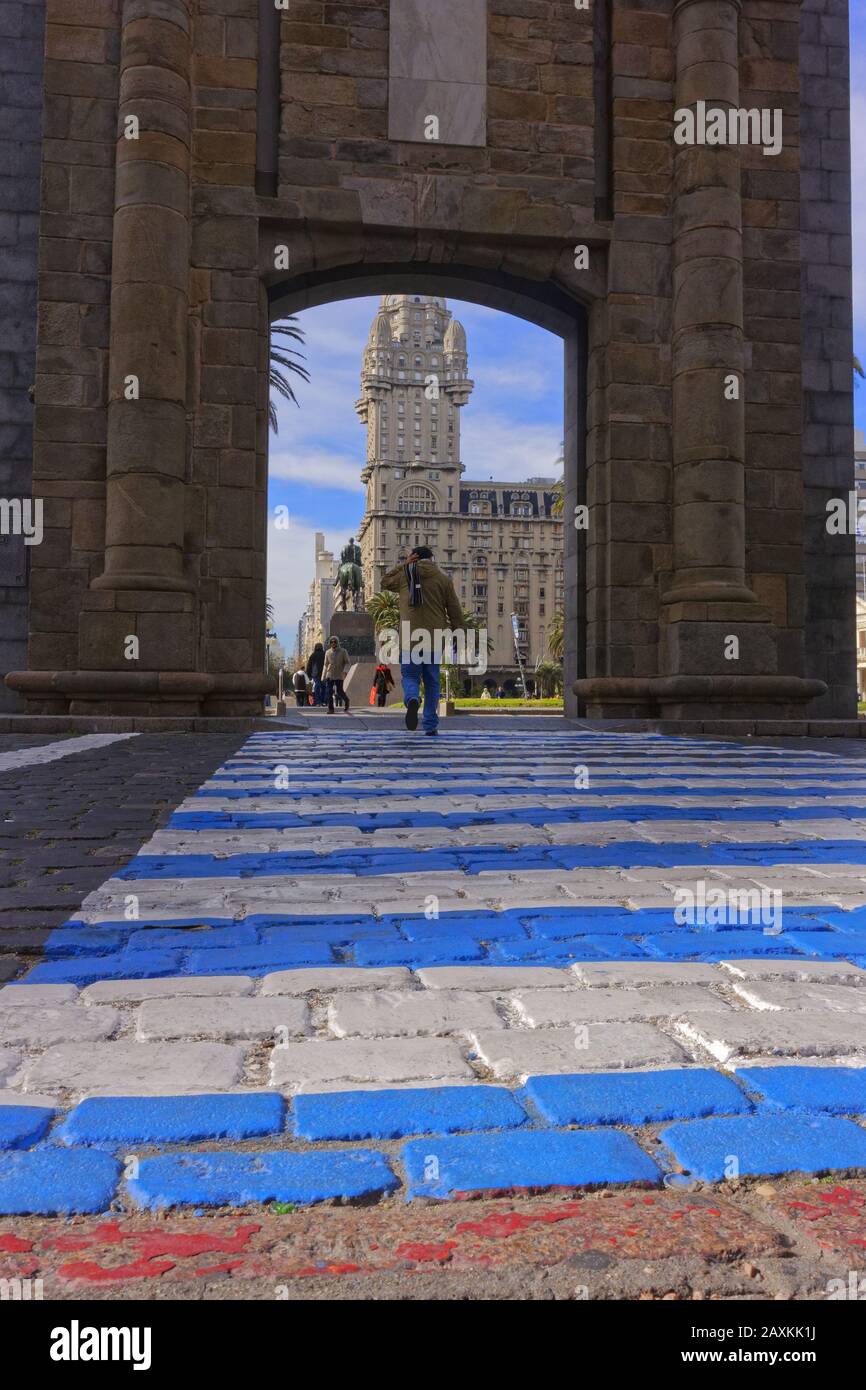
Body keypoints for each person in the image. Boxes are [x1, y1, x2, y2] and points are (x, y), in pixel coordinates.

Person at [382, 545, 465, 737]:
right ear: (432, 559)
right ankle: (430, 724)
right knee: (432, 682)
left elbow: (384, 582)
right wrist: (459, 632)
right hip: (434, 638)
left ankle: (412, 698)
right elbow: (454, 610)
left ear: (414, 558)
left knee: (410, 676)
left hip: (409, 637)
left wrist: (403, 565)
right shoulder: (443, 579)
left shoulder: (405, 575)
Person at [322, 635, 350, 713]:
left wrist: (345, 671)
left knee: (339, 691)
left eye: (335, 642)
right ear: (330, 643)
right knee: (329, 692)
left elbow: (347, 662)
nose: (333, 643)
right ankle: (331, 709)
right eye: (331, 642)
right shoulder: (327, 652)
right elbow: (325, 664)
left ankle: (346, 700)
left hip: (339, 674)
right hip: (330, 674)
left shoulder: (343, 651)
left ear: (337, 642)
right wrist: (323, 676)